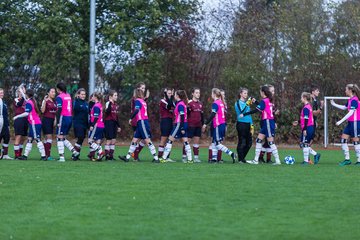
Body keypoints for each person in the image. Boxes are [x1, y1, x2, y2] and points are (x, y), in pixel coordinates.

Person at [241, 85, 281, 165]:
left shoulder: (265, 101)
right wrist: (255, 101)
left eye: (260, 92)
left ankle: (277, 160)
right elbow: (263, 108)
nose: (260, 93)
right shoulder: (269, 100)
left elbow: (256, 110)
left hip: (268, 122)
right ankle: (256, 160)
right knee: (258, 140)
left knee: (270, 142)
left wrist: (244, 114)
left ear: (263, 92)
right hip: (267, 123)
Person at [120, 89, 159, 163]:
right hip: (141, 122)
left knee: (147, 140)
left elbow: (137, 110)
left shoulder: (137, 100)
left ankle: (156, 158)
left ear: (136, 94)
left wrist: (131, 118)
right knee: (134, 140)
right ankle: (127, 157)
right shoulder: (143, 101)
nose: (133, 94)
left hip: (142, 122)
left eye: (134, 93)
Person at [202, 88, 236, 163]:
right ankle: (214, 159)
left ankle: (232, 154)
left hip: (218, 125)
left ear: (214, 94)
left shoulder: (215, 103)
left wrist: (205, 123)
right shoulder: (221, 102)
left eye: (211, 93)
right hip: (222, 124)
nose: (211, 95)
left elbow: (213, 115)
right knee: (214, 142)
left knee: (217, 143)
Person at [160, 90, 193, 163]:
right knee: (186, 141)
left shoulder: (180, 104)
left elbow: (182, 116)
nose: (174, 95)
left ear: (178, 96)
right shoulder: (181, 103)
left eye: (174, 94)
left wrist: (181, 127)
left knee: (170, 140)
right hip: (184, 123)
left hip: (179, 124)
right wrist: (168, 95)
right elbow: (170, 103)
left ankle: (164, 158)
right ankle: (190, 159)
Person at [331, 84, 360, 166]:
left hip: (355, 122)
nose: (345, 91)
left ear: (350, 90)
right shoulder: (350, 99)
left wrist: (340, 121)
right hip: (350, 123)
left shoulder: (355, 100)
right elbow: (344, 107)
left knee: (355, 141)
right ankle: (347, 159)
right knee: (343, 139)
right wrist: (334, 104)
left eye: (346, 89)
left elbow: (351, 112)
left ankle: (359, 160)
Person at [13, 89, 46, 160]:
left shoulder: (29, 103)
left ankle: (43, 156)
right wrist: (22, 91)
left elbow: (26, 113)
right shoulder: (32, 101)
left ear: (27, 95)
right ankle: (25, 156)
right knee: (30, 139)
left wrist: (17, 116)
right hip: (34, 123)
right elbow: (24, 98)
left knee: (37, 139)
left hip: (34, 123)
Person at [55, 83, 79, 162]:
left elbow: (59, 109)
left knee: (59, 137)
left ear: (58, 89)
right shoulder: (68, 95)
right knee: (63, 137)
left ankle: (62, 157)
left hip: (63, 117)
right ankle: (74, 151)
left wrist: (58, 121)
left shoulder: (59, 97)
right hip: (69, 117)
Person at [298, 92, 321, 165]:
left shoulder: (306, 107)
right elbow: (305, 118)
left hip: (308, 127)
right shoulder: (308, 106)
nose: (300, 99)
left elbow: (306, 119)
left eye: (301, 97)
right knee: (303, 144)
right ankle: (315, 154)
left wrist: (304, 129)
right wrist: (298, 121)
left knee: (305, 144)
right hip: (309, 127)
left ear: (304, 98)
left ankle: (306, 161)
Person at [130, 82, 149, 161]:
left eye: (144, 88)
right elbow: (137, 109)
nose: (143, 90)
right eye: (142, 88)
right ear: (138, 89)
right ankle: (134, 155)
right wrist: (146, 98)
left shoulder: (141, 98)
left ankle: (134, 154)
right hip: (136, 120)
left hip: (142, 120)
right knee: (138, 139)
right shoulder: (135, 98)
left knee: (143, 139)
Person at [184, 87, 203, 163]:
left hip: (198, 125)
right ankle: (184, 157)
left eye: (199, 93)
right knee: (187, 141)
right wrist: (187, 107)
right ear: (193, 94)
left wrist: (203, 124)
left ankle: (196, 157)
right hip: (191, 125)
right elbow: (186, 114)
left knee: (197, 141)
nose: (198, 94)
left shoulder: (200, 104)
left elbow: (202, 115)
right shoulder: (189, 103)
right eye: (196, 92)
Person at [235, 88, 254, 163]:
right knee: (242, 142)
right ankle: (240, 159)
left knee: (249, 143)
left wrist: (252, 125)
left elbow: (248, 114)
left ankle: (242, 158)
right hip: (241, 124)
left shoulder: (247, 103)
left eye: (247, 93)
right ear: (241, 94)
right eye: (245, 93)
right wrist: (247, 103)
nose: (246, 94)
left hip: (248, 124)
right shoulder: (238, 102)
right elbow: (242, 111)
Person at [158, 88, 176, 162]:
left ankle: (167, 157)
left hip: (170, 121)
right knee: (163, 139)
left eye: (171, 93)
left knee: (170, 140)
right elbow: (169, 106)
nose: (170, 95)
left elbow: (172, 106)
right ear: (165, 93)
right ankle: (159, 157)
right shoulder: (162, 101)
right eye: (168, 93)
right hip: (165, 121)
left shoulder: (172, 101)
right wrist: (169, 96)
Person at [72, 88, 89, 160]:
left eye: (84, 94)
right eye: (82, 94)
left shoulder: (86, 103)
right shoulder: (76, 102)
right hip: (78, 123)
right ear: (78, 95)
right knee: (80, 137)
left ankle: (76, 154)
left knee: (81, 139)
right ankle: (74, 154)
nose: (83, 96)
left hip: (84, 124)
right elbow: (74, 109)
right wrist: (76, 99)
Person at [41, 88, 57, 160]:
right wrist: (44, 101)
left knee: (47, 138)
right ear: (48, 93)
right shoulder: (46, 101)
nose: (54, 93)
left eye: (54, 92)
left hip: (52, 120)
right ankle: (48, 155)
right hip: (46, 120)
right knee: (49, 137)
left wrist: (55, 120)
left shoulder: (54, 102)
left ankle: (45, 155)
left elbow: (55, 112)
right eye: (52, 92)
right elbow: (42, 111)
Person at [88, 92, 105, 161]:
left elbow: (96, 117)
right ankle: (99, 157)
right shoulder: (100, 105)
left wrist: (92, 125)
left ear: (95, 97)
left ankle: (100, 152)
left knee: (90, 141)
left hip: (96, 125)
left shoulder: (96, 106)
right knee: (98, 141)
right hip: (101, 125)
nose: (92, 97)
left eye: (93, 96)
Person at [104, 90, 121, 160]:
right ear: (111, 97)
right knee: (109, 140)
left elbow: (116, 116)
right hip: (108, 123)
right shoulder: (108, 103)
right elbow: (107, 112)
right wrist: (110, 103)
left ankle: (111, 156)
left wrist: (119, 126)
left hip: (114, 123)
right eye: (115, 95)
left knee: (113, 140)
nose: (116, 97)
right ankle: (107, 156)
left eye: (117, 95)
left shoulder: (116, 105)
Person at [13, 85, 28, 159]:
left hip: (25, 119)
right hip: (19, 119)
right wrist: (22, 95)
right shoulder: (16, 99)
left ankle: (20, 154)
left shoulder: (27, 100)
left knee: (23, 138)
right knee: (18, 137)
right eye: (22, 90)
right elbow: (19, 104)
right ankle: (16, 155)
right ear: (19, 91)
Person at [0, 88, 12, 159]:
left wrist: (8, 125)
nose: (2, 94)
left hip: (4, 123)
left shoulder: (3, 102)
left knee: (7, 137)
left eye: (2, 93)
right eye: (0, 93)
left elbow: (6, 114)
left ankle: (5, 155)